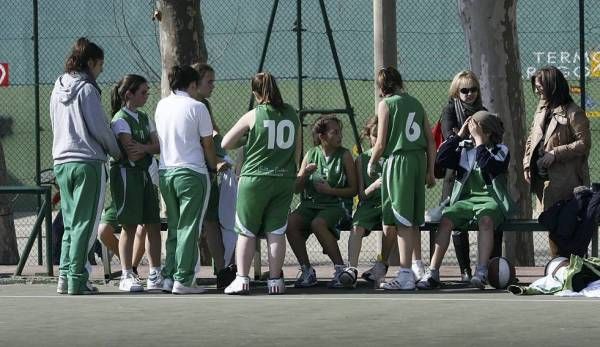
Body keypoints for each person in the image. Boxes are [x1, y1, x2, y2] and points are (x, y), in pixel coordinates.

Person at [50, 37, 122, 295]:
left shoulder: (57, 87)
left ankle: (66, 277)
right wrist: (117, 151)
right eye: (100, 64)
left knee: (70, 223)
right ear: (90, 62)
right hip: (87, 163)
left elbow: (55, 124)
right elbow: (100, 128)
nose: (101, 69)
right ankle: (78, 279)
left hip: (62, 162)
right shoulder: (88, 90)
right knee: (84, 224)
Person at [221, 72, 300, 295]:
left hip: (255, 178)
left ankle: (242, 279)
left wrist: (248, 138)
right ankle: (275, 281)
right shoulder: (292, 114)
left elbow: (227, 142)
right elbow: (297, 148)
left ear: (256, 93)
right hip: (284, 178)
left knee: (246, 230)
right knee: (276, 231)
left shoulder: (254, 115)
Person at [417, 111, 513, 289]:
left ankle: (481, 271)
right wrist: (458, 135)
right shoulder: (464, 148)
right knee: (446, 220)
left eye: (476, 129)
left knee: (486, 220)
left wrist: (479, 144)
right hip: (466, 201)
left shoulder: (502, 150)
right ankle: (432, 273)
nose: (472, 132)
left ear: (488, 132)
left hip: (491, 200)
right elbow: (441, 158)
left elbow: (488, 165)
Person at [368, 66, 436, 291]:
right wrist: (430, 170)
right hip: (418, 161)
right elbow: (430, 140)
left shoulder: (386, 104)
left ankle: (405, 274)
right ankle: (412, 267)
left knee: (402, 219)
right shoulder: (416, 103)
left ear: (382, 86)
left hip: (399, 162)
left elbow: (380, 141)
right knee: (410, 219)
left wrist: (371, 162)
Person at [155, 65, 220, 294]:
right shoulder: (197, 106)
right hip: (192, 174)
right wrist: (214, 166)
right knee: (189, 228)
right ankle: (183, 279)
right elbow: (208, 144)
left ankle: (169, 277)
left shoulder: (162, 105)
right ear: (192, 84)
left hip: (166, 173)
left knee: (175, 226)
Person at [523, 66, 591, 256]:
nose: (537, 91)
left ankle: (574, 271)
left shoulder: (573, 112)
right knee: (551, 226)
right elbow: (532, 137)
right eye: (536, 87)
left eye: (540, 86)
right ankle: (558, 269)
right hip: (543, 182)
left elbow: (584, 143)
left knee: (569, 228)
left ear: (553, 86)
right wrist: (527, 164)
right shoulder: (541, 111)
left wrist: (556, 153)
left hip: (567, 183)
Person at [287, 115, 358, 289]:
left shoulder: (345, 155)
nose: (340, 136)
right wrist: (304, 175)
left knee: (318, 223)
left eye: (340, 132)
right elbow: (296, 188)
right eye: (335, 132)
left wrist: (330, 191)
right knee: (290, 223)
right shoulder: (311, 154)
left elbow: (354, 189)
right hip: (310, 205)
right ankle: (307, 271)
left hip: (337, 205)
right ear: (322, 136)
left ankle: (341, 270)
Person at [106, 74, 162, 292]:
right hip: (126, 177)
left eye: (148, 92)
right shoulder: (120, 120)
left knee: (153, 225)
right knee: (129, 227)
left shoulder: (145, 117)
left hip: (146, 176)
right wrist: (145, 147)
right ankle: (127, 275)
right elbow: (131, 153)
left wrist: (146, 147)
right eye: (143, 92)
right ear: (128, 94)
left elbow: (157, 146)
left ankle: (155, 273)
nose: (147, 96)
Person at [191, 63, 237, 289]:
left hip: (209, 173)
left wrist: (229, 148)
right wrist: (216, 161)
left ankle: (223, 270)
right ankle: (181, 272)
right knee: (192, 224)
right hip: (194, 173)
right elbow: (200, 143)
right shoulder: (190, 107)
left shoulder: (204, 105)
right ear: (195, 83)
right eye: (209, 81)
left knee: (213, 222)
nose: (213, 86)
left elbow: (213, 134)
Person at [439, 70, 487, 281]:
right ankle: (464, 270)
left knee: (487, 219)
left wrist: (471, 136)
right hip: (454, 174)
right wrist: (466, 135)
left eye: (473, 89)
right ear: (456, 92)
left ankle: (484, 269)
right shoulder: (449, 110)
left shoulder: (483, 111)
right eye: (464, 90)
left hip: (477, 175)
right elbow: (451, 137)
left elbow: (489, 139)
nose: (469, 94)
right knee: (453, 222)